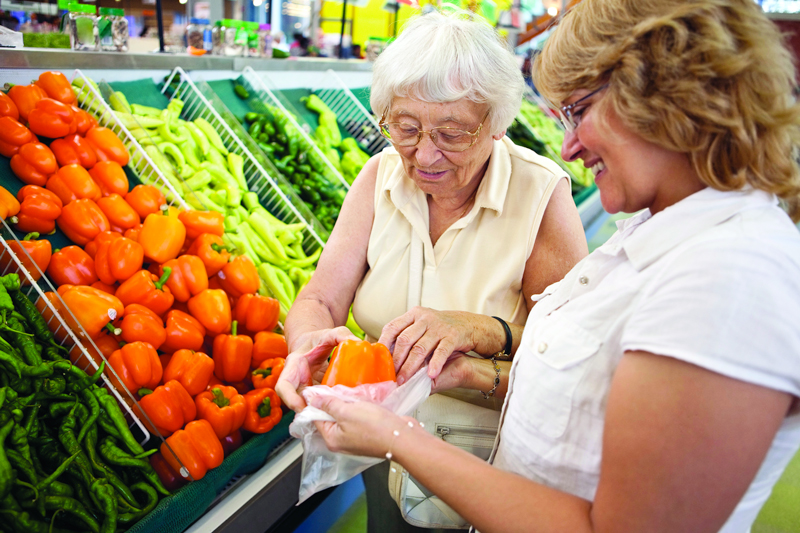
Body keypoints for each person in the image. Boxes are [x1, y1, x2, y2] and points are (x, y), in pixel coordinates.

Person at [298, 1, 800, 532]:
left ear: (668, 98)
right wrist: (465, 372)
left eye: (579, 110)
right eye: (406, 128)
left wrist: (397, 437)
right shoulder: (658, 238)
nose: (569, 145)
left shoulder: (732, 276)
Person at [275, 8, 588, 533]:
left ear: (496, 123)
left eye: (453, 133)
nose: (423, 154)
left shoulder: (540, 194)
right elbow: (320, 300)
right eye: (405, 128)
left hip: (489, 469)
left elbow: (571, 366)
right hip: (377, 455)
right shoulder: (378, 176)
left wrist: (482, 334)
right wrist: (306, 343)